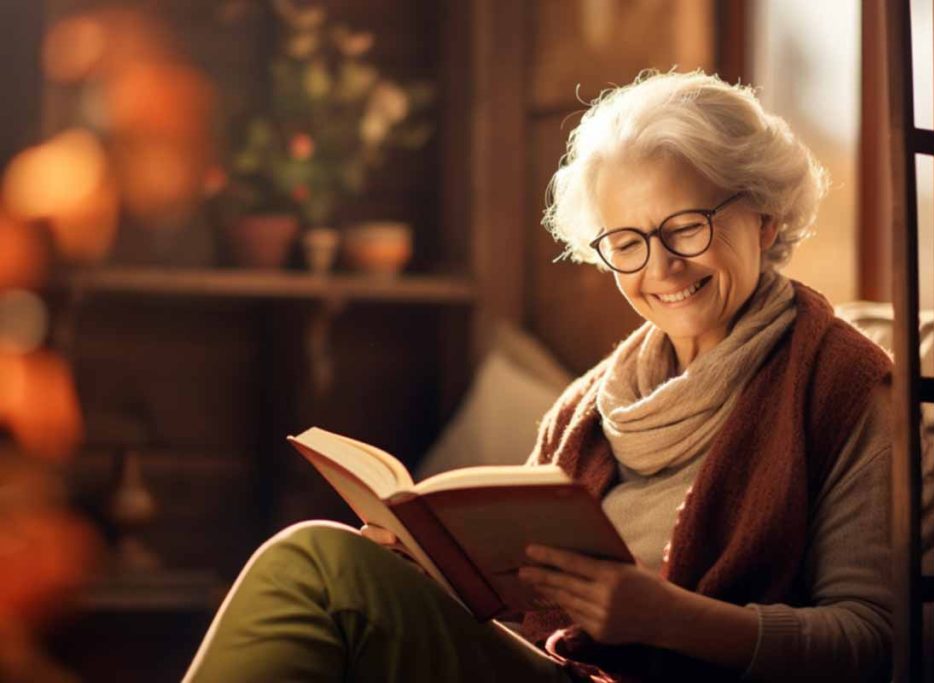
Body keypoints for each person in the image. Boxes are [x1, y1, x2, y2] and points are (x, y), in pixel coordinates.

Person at [184, 70, 893, 682]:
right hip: (558, 668)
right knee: (323, 568)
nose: (661, 268)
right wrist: (427, 569)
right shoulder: (589, 406)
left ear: (766, 217)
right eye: (627, 242)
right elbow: (513, 606)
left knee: (315, 565)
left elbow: (872, 644)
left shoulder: (843, 381)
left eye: (686, 227)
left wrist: (671, 617)